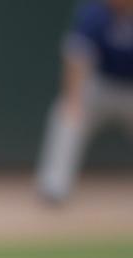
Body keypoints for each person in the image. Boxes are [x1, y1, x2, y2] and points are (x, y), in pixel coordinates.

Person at [36, 0, 133, 205]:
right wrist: (73, 99)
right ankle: (54, 187)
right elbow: (77, 57)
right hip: (100, 84)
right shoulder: (94, 12)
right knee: (64, 115)